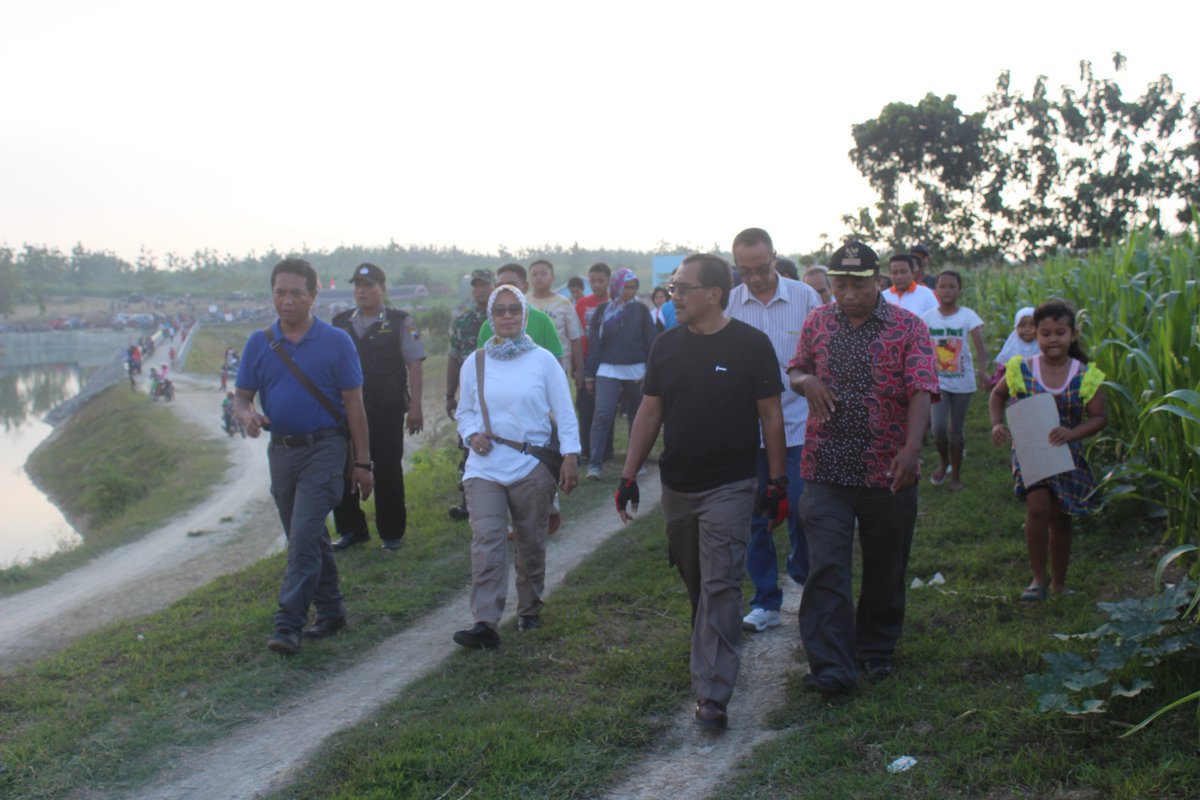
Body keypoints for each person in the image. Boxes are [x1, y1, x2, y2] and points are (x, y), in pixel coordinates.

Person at [615, 253, 786, 730]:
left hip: (731, 484)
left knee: (720, 583)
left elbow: (771, 416)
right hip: (678, 486)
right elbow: (649, 413)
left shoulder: (752, 346)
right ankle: (715, 641)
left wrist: (777, 482)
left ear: (714, 293)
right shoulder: (666, 346)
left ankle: (713, 694)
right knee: (699, 583)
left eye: (683, 288)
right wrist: (628, 476)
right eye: (672, 288)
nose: (675, 297)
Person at [787, 241, 938, 693]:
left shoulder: (907, 326)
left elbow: (921, 388)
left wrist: (911, 449)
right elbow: (796, 369)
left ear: (878, 282)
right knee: (826, 568)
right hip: (825, 468)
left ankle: (876, 647)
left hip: (887, 468)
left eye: (857, 284)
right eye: (839, 285)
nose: (847, 294)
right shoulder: (818, 321)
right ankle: (831, 666)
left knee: (885, 564)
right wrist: (806, 380)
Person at [233, 258, 373, 654]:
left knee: (303, 536)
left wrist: (362, 464)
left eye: (296, 292)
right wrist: (247, 416)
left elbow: (354, 407)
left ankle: (288, 624)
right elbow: (241, 397)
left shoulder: (336, 342)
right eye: (280, 292)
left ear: (314, 295)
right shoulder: (259, 343)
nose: (287, 300)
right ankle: (331, 611)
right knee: (306, 535)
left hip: (326, 449)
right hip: (281, 452)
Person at [452, 285, 580, 649]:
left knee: (529, 540)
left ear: (524, 316)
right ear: (490, 318)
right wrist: (471, 434)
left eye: (513, 310)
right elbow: (464, 413)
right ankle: (485, 622)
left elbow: (565, 411)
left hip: (530, 464)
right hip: (484, 467)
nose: (507, 316)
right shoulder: (475, 361)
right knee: (487, 541)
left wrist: (570, 455)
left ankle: (529, 610)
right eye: (500, 311)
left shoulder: (542, 361)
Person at [727, 227, 823, 633]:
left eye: (762, 268)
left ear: (775, 258)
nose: (755, 278)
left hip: (800, 425)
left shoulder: (805, 298)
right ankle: (765, 599)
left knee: (805, 510)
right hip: (750, 432)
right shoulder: (731, 303)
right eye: (745, 271)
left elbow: (822, 355)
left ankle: (803, 577)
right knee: (754, 516)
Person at [989, 301, 1107, 601]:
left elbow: (1099, 417)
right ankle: (1038, 580)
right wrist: (996, 424)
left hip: (1066, 453)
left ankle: (1059, 582)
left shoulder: (1085, 374)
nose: (1053, 339)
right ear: (1036, 335)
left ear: (1073, 334)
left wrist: (1073, 433)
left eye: (1060, 332)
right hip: (1029, 449)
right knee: (1038, 508)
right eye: (1045, 333)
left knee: (1060, 514)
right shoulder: (1022, 368)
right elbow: (997, 395)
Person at [330, 263, 426, 552]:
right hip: (346, 410)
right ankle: (351, 530)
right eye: (358, 285)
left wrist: (416, 407)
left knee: (387, 469)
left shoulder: (400, 322)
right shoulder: (340, 323)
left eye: (369, 285)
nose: (362, 290)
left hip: (387, 408)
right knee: (344, 468)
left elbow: (414, 364)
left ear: (382, 289)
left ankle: (391, 533)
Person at [583, 267, 656, 480]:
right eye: (626, 287)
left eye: (633, 287)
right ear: (615, 286)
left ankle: (637, 463)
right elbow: (595, 344)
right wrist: (590, 374)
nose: (629, 292)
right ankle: (595, 465)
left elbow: (651, 341)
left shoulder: (641, 311)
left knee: (638, 417)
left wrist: (650, 371)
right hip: (607, 369)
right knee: (603, 414)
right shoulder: (603, 310)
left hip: (637, 370)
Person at [921, 270, 989, 492]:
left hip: (962, 381)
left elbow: (980, 346)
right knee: (939, 429)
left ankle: (956, 475)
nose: (947, 290)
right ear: (936, 290)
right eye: (943, 286)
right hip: (937, 381)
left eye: (952, 286)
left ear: (959, 290)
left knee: (955, 431)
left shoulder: (968, 316)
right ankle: (944, 462)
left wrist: (982, 370)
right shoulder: (928, 318)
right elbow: (919, 347)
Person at [446, 269, 496, 520]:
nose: (480, 290)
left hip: (498, 392)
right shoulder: (463, 322)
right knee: (469, 444)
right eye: (475, 286)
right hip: (471, 395)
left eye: (484, 285)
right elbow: (453, 359)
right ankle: (469, 501)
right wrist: (449, 395)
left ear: (494, 286)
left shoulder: (504, 316)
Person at [475, 264, 563, 359]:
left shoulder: (543, 321)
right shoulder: (487, 326)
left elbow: (556, 361)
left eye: (512, 285)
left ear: (525, 287)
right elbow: (481, 361)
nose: (506, 289)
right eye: (500, 285)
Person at [575, 262, 612, 463]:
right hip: (588, 360)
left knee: (606, 407)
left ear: (609, 281)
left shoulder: (615, 301)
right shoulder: (581, 303)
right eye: (593, 281)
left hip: (609, 362)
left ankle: (607, 449)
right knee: (586, 407)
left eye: (600, 280)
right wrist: (578, 366)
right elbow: (578, 336)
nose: (596, 284)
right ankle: (586, 448)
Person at [527, 258, 584, 381]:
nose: (539, 277)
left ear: (552, 277)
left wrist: (579, 368)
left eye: (543, 273)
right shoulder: (523, 303)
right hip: (527, 366)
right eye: (534, 274)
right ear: (529, 278)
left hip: (557, 365)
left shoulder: (564, 303)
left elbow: (575, 338)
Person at [990, 306, 1039, 389]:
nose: (1027, 329)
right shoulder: (1010, 349)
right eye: (1022, 325)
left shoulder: (1043, 348)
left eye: (1032, 324)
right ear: (1016, 327)